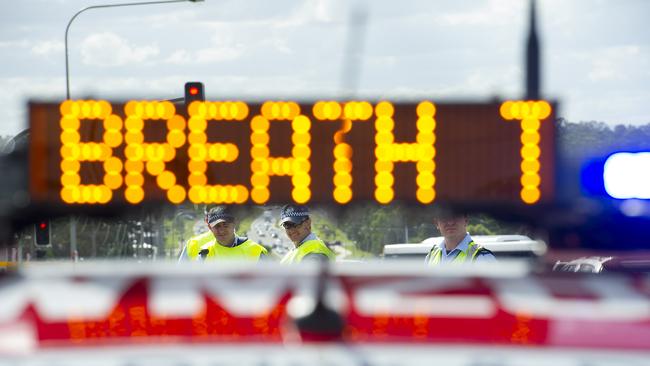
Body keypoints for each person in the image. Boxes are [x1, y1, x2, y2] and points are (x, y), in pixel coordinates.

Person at [178, 205, 267, 262]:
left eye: (225, 225)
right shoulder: (204, 254)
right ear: (210, 227)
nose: (221, 230)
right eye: (217, 226)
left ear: (235, 224)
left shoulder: (256, 251)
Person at [425, 212, 496, 265]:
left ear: (466, 220)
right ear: (437, 223)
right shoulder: (431, 255)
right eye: (444, 217)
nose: (450, 222)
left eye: (456, 216)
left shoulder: (482, 257)